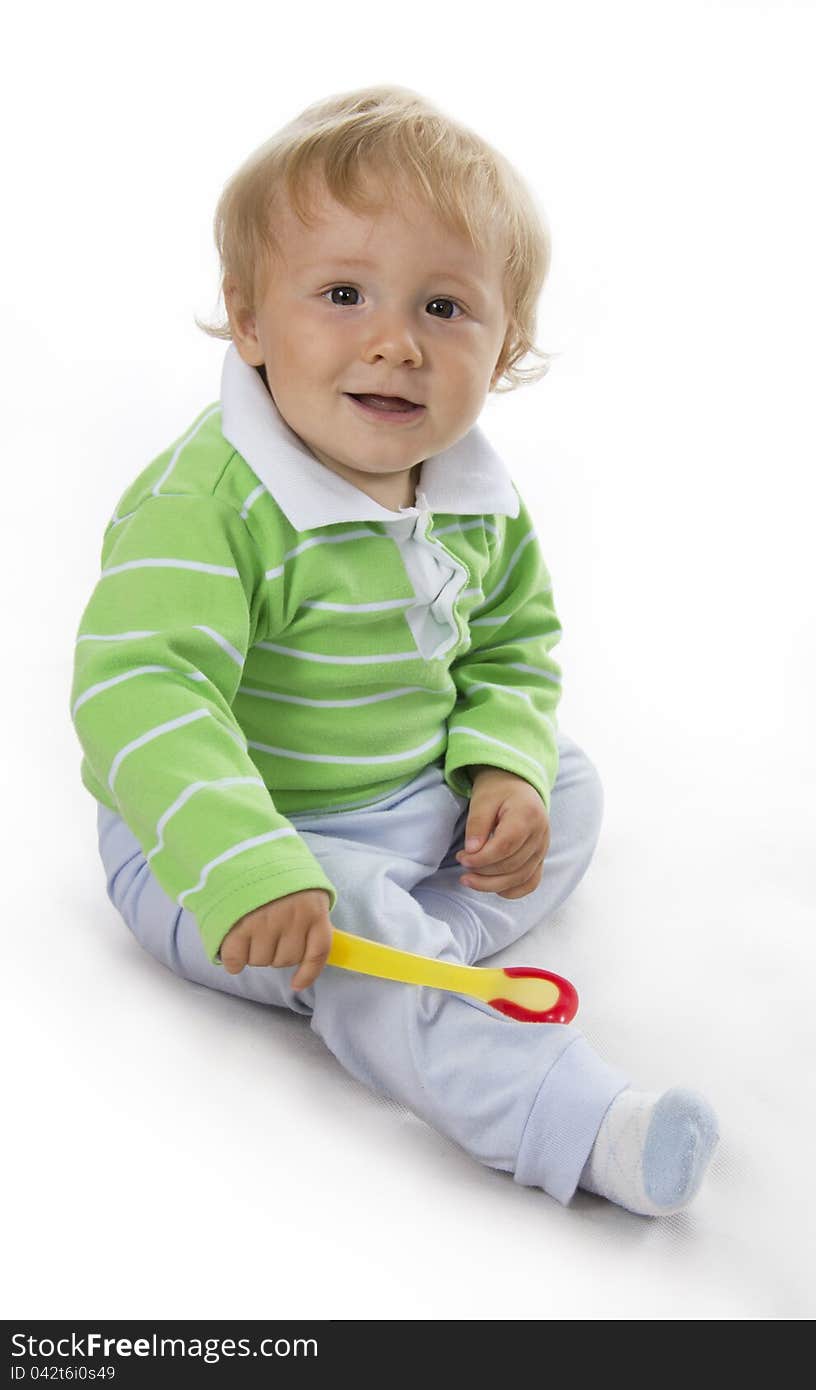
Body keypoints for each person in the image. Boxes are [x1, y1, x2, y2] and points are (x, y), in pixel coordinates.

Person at [70, 84, 719, 1215]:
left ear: (504, 345)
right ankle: (571, 1120)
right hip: (220, 838)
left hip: (402, 796)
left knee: (570, 783)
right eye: (340, 294)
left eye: (443, 308)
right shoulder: (212, 502)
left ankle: (412, 957)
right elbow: (141, 690)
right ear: (251, 319)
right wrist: (251, 866)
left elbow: (514, 643)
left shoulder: (476, 494)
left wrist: (502, 767)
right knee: (346, 906)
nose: (393, 343)